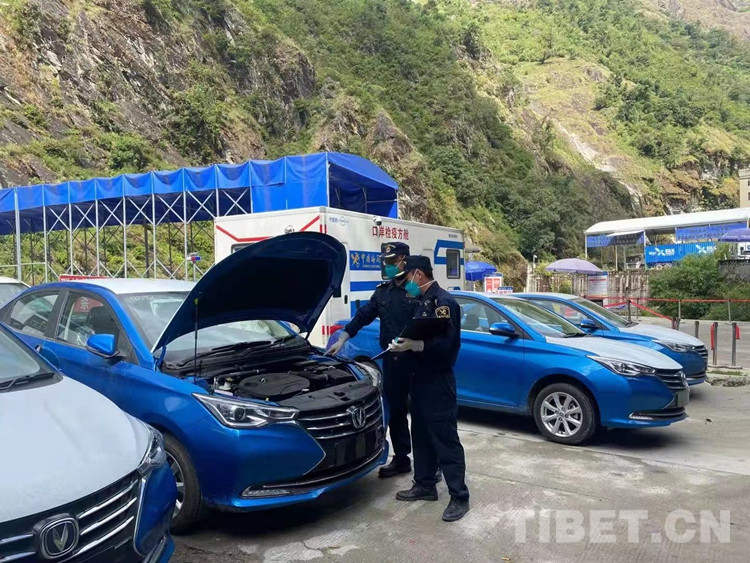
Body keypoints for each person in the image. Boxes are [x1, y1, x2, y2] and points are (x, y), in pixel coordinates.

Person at [325, 242, 418, 478]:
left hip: (418, 361)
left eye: (392, 262)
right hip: (393, 361)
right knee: (396, 411)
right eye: (385, 262)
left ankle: (432, 464)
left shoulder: (416, 288)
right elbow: (363, 316)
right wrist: (343, 338)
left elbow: (430, 322)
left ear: (404, 260)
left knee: (423, 413)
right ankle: (402, 458)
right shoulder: (383, 292)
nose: (387, 266)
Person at [390, 255, 470, 522]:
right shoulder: (422, 300)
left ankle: (459, 496)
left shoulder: (443, 302)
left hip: (438, 380)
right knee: (421, 435)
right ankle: (424, 485)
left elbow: (448, 345)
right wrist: (402, 344)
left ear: (419, 274)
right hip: (419, 378)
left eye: (407, 277)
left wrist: (416, 345)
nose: (406, 284)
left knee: (445, 439)